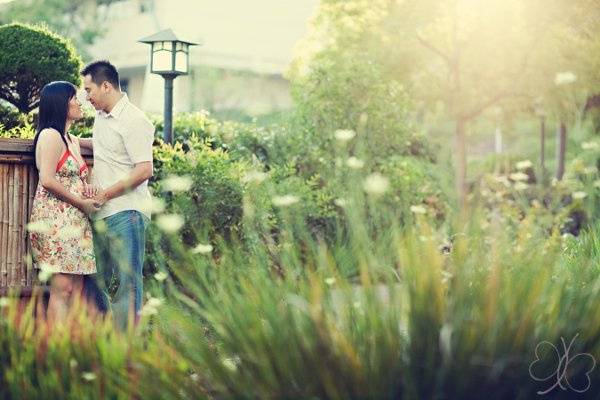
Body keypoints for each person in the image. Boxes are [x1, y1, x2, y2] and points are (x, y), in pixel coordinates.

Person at [79, 60, 154, 330]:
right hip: (102, 213)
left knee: (127, 282)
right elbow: (100, 148)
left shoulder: (135, 120)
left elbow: (144, 169)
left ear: (106, 86)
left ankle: (126, 352)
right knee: (92, 278)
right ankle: (104, 338)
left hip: (127, 212)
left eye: (89, 90)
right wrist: (66, 139)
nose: (87, 97)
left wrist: (105, 194)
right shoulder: (102, 117)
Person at [29, 81, 100, 326]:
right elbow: (47, 179)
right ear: (61, 103)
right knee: (63, 289)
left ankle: (71, 349)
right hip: (54, 221)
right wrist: (81, 202)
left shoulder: (72, 139)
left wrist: (87, 188)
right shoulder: (50, 135)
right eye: (74, 98)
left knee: (77, 288)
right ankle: (53, 353)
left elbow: (100, 146)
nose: (80, 103)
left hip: (76, 221)